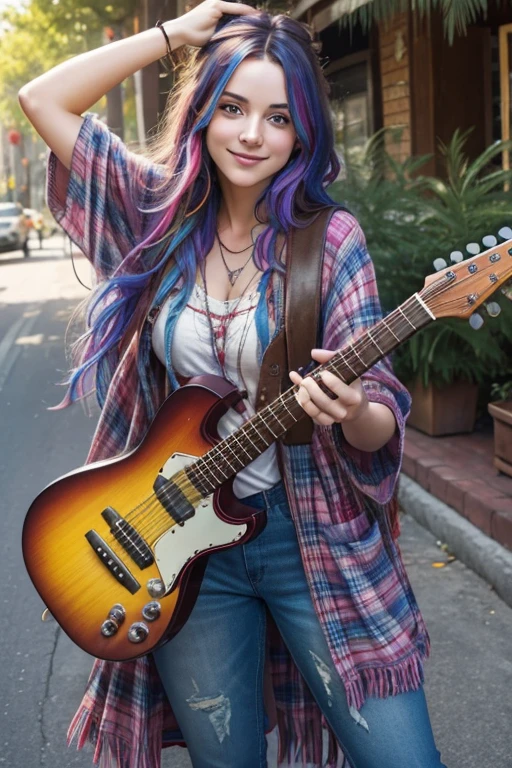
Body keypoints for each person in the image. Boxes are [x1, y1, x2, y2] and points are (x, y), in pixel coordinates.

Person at [19, 2, 445, 767]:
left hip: (307, 538)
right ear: (204, 111)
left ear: (303, 132)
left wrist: (351, 413)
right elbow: (42, 101)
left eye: (278, 118)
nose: (252, 135)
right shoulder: (158, 214)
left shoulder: (329, 241)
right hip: (179, 553)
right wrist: (176, 36)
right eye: (234, 107)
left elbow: (380, 412)